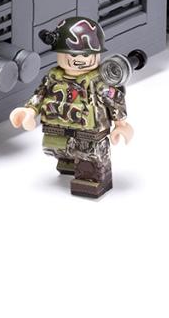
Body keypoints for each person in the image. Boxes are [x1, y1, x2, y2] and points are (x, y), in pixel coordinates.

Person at [9, 16, 133, 198]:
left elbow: (114, 99)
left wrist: (121, 124)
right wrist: (29, 110)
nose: (79, 59)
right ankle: (67, 163)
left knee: (89, 159)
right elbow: (40, 95)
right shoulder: (53, 77)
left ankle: (90, 180)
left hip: (90, 133)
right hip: (57, 128)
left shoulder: (98, 81)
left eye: (86, 54)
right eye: (73, 54)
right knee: (57, 149)